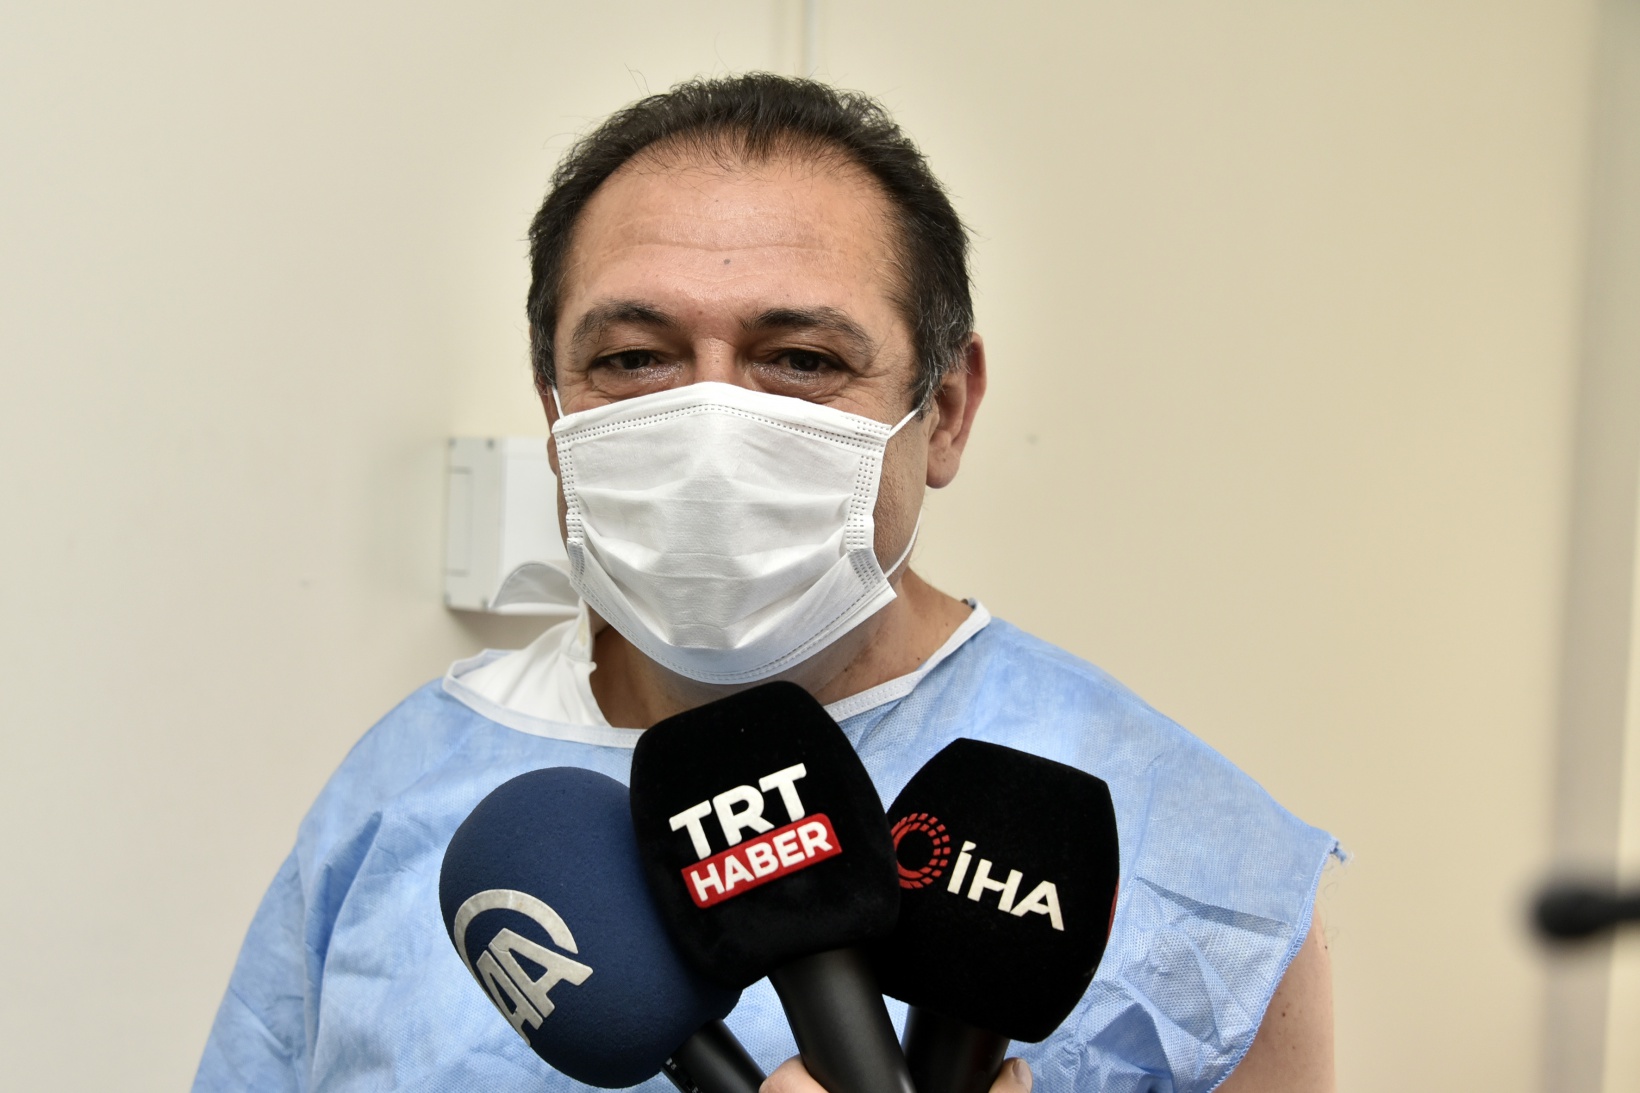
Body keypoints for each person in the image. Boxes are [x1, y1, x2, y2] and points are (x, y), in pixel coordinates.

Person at [193, 74, 1340, 1093]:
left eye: (801, 359)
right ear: (554, 408)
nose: (709, 429)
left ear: (943, 410)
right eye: (631, 358)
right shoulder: (403, 789)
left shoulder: (1178, 856)